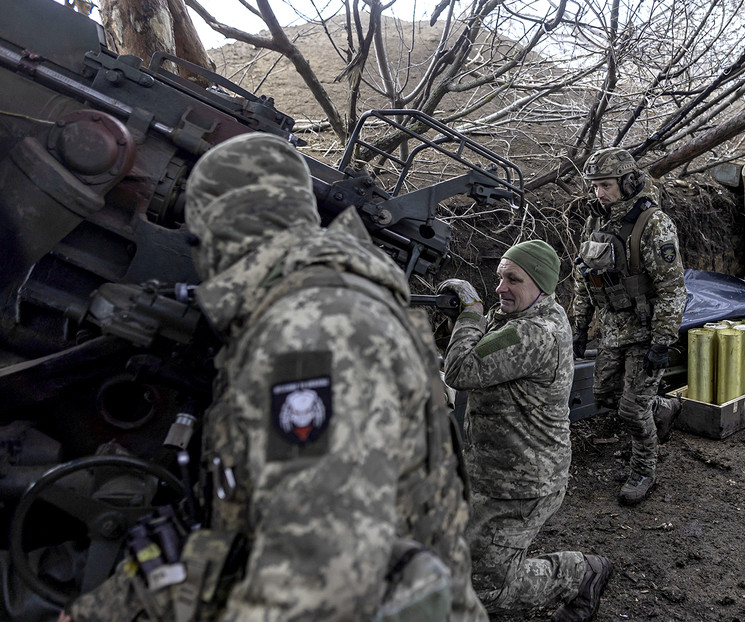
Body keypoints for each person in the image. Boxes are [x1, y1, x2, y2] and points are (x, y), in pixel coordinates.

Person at [63, 132, 486, 621]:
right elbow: (238, 522)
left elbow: (318, 579)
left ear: (220, 230)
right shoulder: (303, 312)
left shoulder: (311, 330)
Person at [437, 240, 611, 622]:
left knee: (486, 591)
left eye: (513, 279)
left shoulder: (534, 333)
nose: (500, 287)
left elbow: (461, 369)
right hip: (496, 472)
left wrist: (470, 314)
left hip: (522, 485)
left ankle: (580, 574)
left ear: (541, 286)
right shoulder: (522, 316)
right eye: (500, 277)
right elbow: (483, 347)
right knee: (460, 555)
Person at [572, 147, 686, 506]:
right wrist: (580, 326)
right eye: (594, 186)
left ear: (628, 182)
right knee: (605, 396)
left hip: (646, 331)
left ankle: (644, 470)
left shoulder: (653, 224)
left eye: (606, 185)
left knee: (632, 410)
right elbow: (584, 279)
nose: (599, 193)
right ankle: (663, 409)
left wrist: (662, 341)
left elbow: (672, 288)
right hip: (612, 329)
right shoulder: (596, 223)